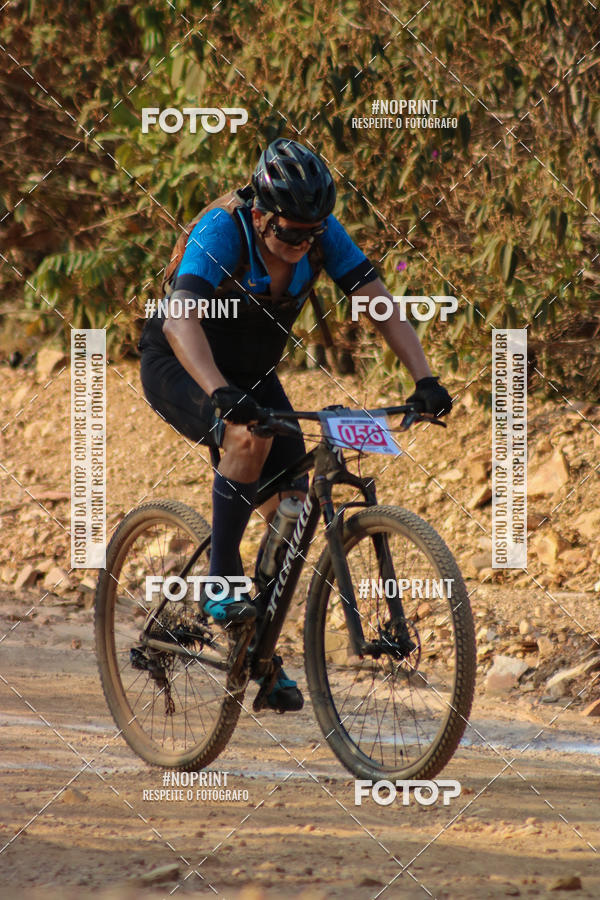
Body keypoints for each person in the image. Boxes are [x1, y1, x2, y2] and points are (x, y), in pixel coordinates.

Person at [138, 138, 452, 712]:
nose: (304, 244)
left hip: (252, 375)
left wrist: (424, 378)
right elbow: (181, 322)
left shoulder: (319, 232)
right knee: (246, 439)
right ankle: (219, 584)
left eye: (313, 234)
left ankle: (257, 651)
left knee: (291, 507)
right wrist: (219, 393)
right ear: (261, 214)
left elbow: (378, 303)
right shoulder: (223, 230)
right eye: (291, 233)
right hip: (182, 362)